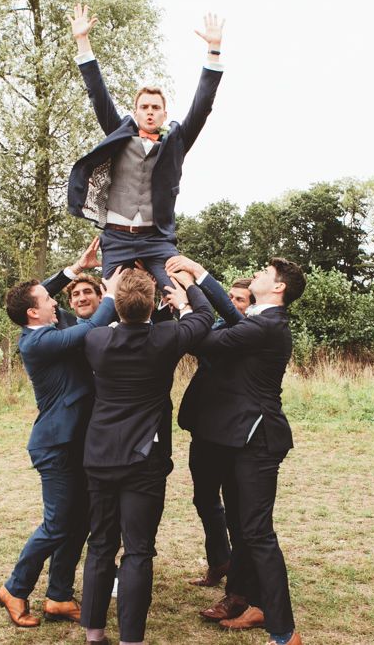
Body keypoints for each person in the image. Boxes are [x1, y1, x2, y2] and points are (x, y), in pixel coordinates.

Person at [79, 269, 214, 645]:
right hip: (144, 460)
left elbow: (98, 321)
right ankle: (131, 640)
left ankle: (94, 635)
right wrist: (185, 290)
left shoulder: (95, 340)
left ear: (115, 303)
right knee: (138, 550)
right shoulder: (166, 337)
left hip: (100, 454)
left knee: (101, 545)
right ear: (154, 305)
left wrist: (109, 298)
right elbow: (205, 318)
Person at [181, 258, 306, 645]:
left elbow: (206, 339)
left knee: (257, 533)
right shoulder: (260, 320)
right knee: (248, 527)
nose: (258, 275)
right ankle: (253, 603)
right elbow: (231, 318)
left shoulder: (267, 325)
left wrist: (189, 303)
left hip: (259, 441)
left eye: (266, 274)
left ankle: (285, 634)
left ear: (279, 288)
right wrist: (199, 278)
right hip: (240, 441)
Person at [0, 267, 124, 628]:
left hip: (74, 443)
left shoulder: (44, 324)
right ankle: (14, 589)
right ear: (33, 313)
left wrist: (69, 270)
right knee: (56, 525)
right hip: (54, 446)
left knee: (78, 522)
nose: (56, 302)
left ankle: (59, 596)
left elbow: (38, 296)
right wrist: (111, 295)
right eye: (49, 300)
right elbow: (89, 329)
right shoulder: (37, 341)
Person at [66, 5, 224, 291]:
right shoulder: (119, 134)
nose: (150, 112)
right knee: (111, 304)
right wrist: (82, 41)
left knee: (179, 293)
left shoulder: (176, 142)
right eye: (144, 107)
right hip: (116, 237)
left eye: (156, 108)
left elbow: (202, 107)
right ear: (136, 112)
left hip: (156, 240)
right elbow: (97, 94)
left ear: (164, 114)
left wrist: (213, 50)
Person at [165, 255, 255, 589]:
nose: (230, 303)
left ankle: (241, 575)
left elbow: (198, 342)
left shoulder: (248, 335)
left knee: (234, 508)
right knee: (204, 499)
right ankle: (220, 560)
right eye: (229, 297)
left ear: (250, 309)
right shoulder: (220, 326)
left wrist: (188, 300)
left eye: (238, 300)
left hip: (231, 433)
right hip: (204, 428)